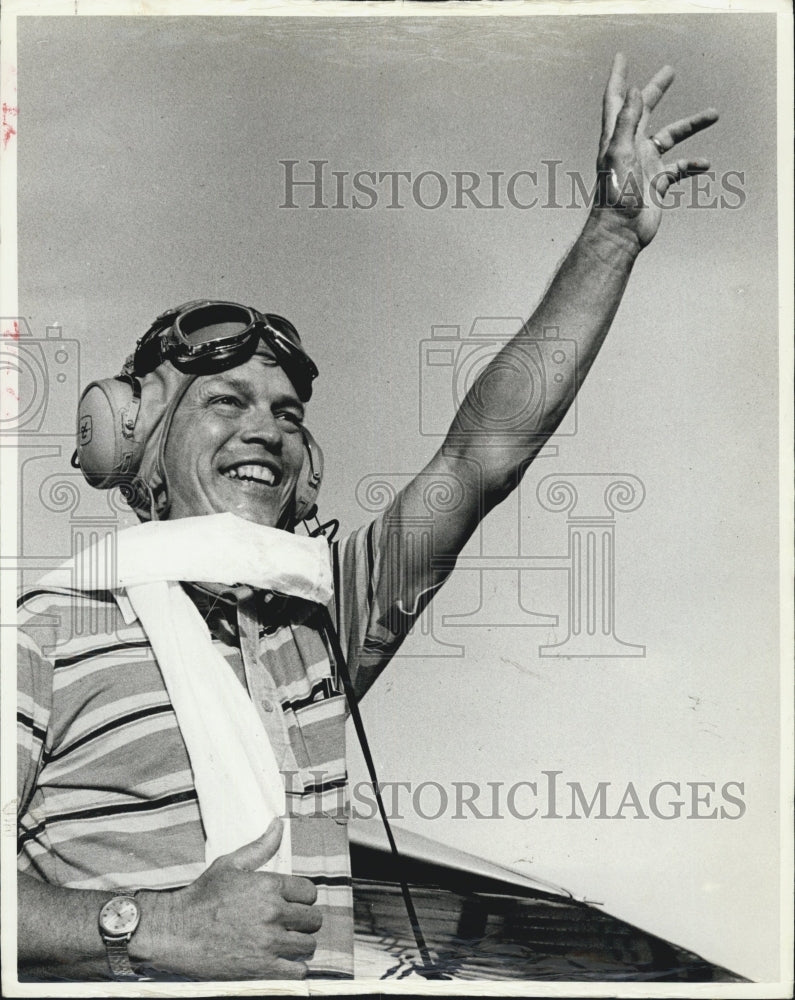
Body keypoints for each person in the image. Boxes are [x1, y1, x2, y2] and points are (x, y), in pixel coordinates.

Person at [16, 55, 717, 982]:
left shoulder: (316, 629)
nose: (265, 429)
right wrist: (145, 924)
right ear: (131, 435)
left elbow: (480, 458)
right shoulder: (46, 632)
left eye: (288, 414)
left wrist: (611, 236)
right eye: (225, 402)